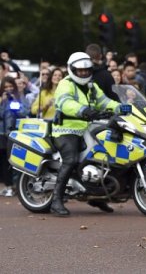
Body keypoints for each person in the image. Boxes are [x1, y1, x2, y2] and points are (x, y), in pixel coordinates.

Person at [50, 52, 120, 216]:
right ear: (72, 69)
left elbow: (105, 101)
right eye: (80, 71)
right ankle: (56, 200)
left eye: (86, 70)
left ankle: (97, 196)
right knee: (71, 159)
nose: (83, 73)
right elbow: (65, 102)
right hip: (66, 130)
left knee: (103, 157)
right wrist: (83, 110)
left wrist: (122, 107)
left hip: (88, 128)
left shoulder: (91, 86)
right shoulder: (65, 84)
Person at [0, 76, 29, 196]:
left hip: (16, 133)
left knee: (16, 160)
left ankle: (18, 186)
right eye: (6, 87)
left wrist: (14, 102)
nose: (9, 89)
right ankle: (8, 186)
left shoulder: (20, 98)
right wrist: (2, 101)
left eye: (11, 86)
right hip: (2, 133)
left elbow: (25, 113)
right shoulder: (1, 99)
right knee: (3, 161)